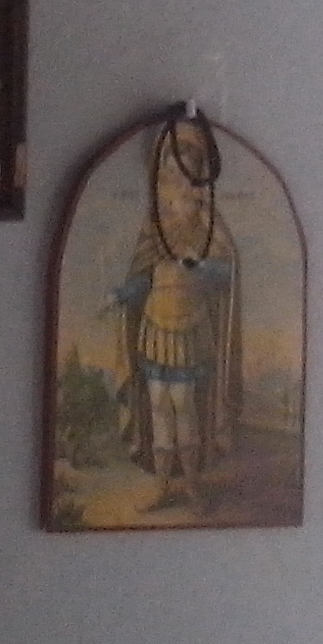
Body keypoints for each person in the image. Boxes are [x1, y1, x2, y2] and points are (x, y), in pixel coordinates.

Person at [111, 116, 244, 510]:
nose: (178, 175)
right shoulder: (154, 223)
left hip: (191, 327)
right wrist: (123, 293)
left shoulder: (208, 221)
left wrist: (199, 265)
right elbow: (144, 274)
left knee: (184, 406)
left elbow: (226, 272)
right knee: (157, 406)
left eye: (186, 164)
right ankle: (162, 486)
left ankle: (191, 485)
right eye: (171, 165)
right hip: (155, 327)